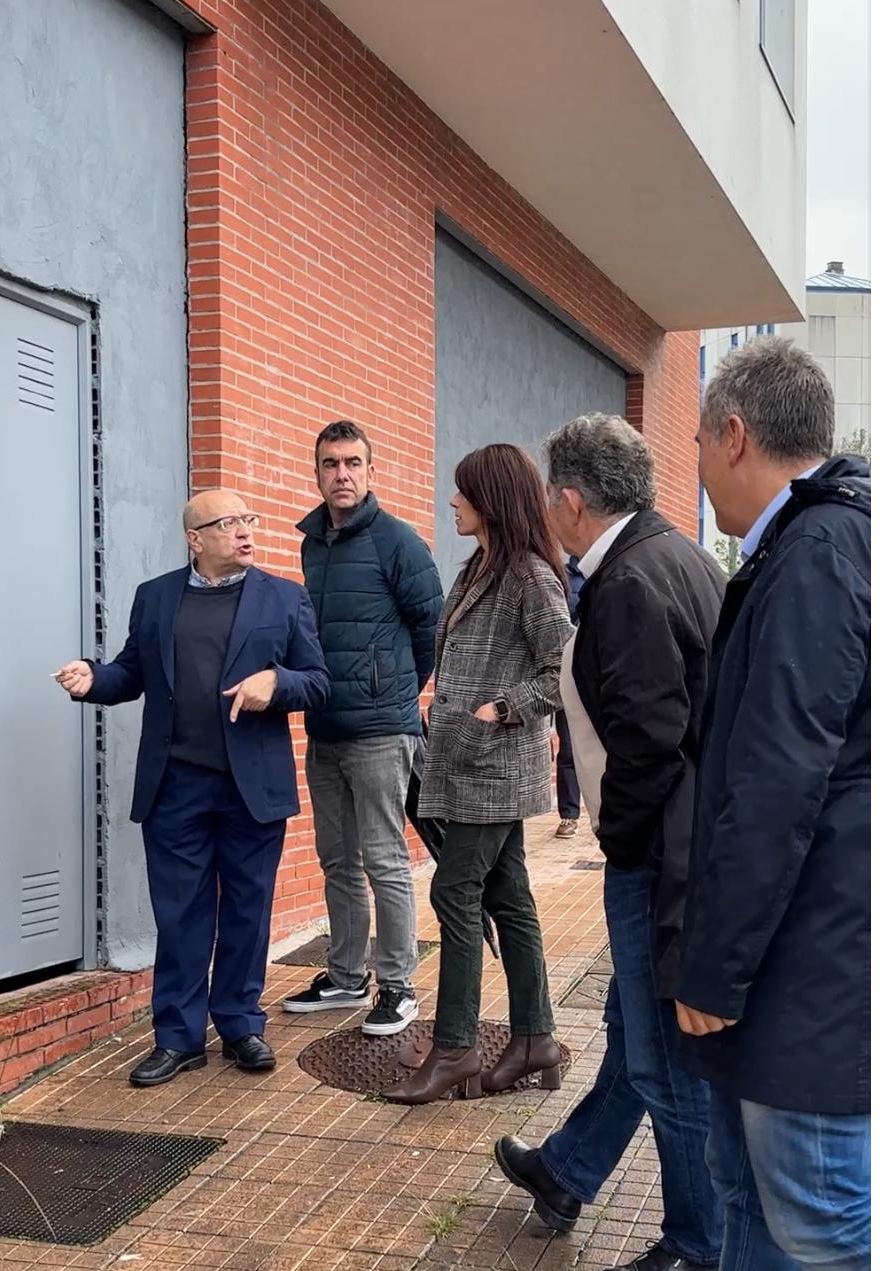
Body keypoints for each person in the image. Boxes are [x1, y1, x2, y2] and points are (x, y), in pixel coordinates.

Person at [495, 414, 725, 1271]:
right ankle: (566, 1170)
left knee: (665, 1064)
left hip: (658, 857)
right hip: (678, 846)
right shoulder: (675, 555)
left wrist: (619, 842)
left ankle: (698, 1243)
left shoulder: (628, 580)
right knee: (636, 1034)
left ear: (568, 499)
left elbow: (648, 745)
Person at [675, 338, 870, 1271]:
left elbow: (774, 783)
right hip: (786, 966)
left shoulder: (818, 552)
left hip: (807, 972)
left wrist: (712, 969)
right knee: (747, 1204)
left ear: (734, 435)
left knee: (822, 1228)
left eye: (697, 442)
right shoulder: (808, 545)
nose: (697, 464)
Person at [55, 490, 329, 1087]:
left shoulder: (285, 597)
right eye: (229, 523)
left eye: (249, 519)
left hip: (251, 787)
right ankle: (178, 1038)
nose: (245, 531)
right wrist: (93, 679)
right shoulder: (155, 597)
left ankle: (240, 1025)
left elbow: (317, 681)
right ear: (195, 538)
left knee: (248, 910)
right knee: (180, 916)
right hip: (175, 784)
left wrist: (275, 683)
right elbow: (131, 673)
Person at [380, 443, 572, 1105]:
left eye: (463, 491)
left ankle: (455, 1047)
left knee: (454, 891)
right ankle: (535, 1040)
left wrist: (501, 709)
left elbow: (564, 668)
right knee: (508, 898)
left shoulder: (529, 576)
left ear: (491, 499)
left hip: (494, 767)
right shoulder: (480, 568)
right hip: (468, 763)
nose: (453, 500)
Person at [283, 420, 444, 1037]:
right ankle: (347, 976)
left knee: (384, 859)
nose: (342, 474)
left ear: (371, 472)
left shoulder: (397, 542)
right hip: (324, 727)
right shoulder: (313, 544)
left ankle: (398, 986)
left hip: (380, 731)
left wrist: (395, 692)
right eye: (331, 464)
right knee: (336, 860)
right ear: (317, 472)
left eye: (353, 463)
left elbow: (431, 629)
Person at [553, 556, 584, 838]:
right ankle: (569, 814)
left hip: (606, 674)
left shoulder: (609, 568)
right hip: (569, 673)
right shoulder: (561, 576)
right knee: (569, 747)